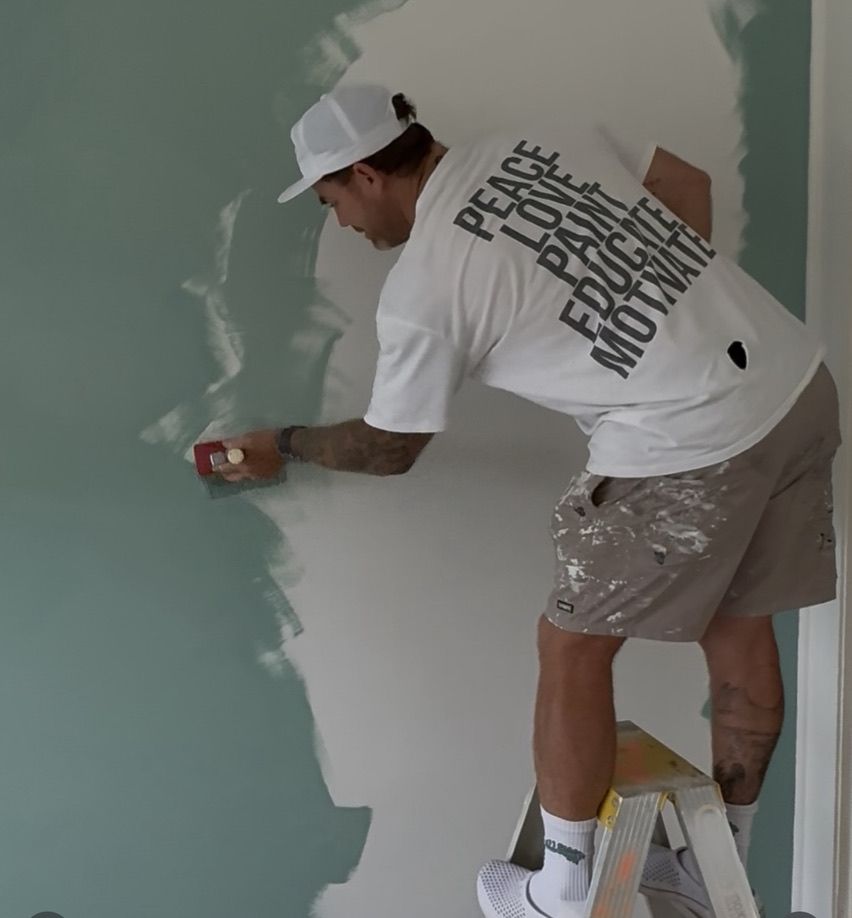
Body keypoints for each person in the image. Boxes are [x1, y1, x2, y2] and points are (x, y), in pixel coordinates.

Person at [216, 84, 841, 918]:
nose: (343, 224)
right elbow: (685, 182)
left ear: (365, 174)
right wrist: (667, 326)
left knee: (570, 647)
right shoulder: (550, 137)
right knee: (741, 625)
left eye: (331, 202)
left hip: (689, 438)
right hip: (795, 384)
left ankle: (564, 886)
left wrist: (285, 443)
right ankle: (724, 853)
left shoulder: (428, 284)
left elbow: (391, 447)